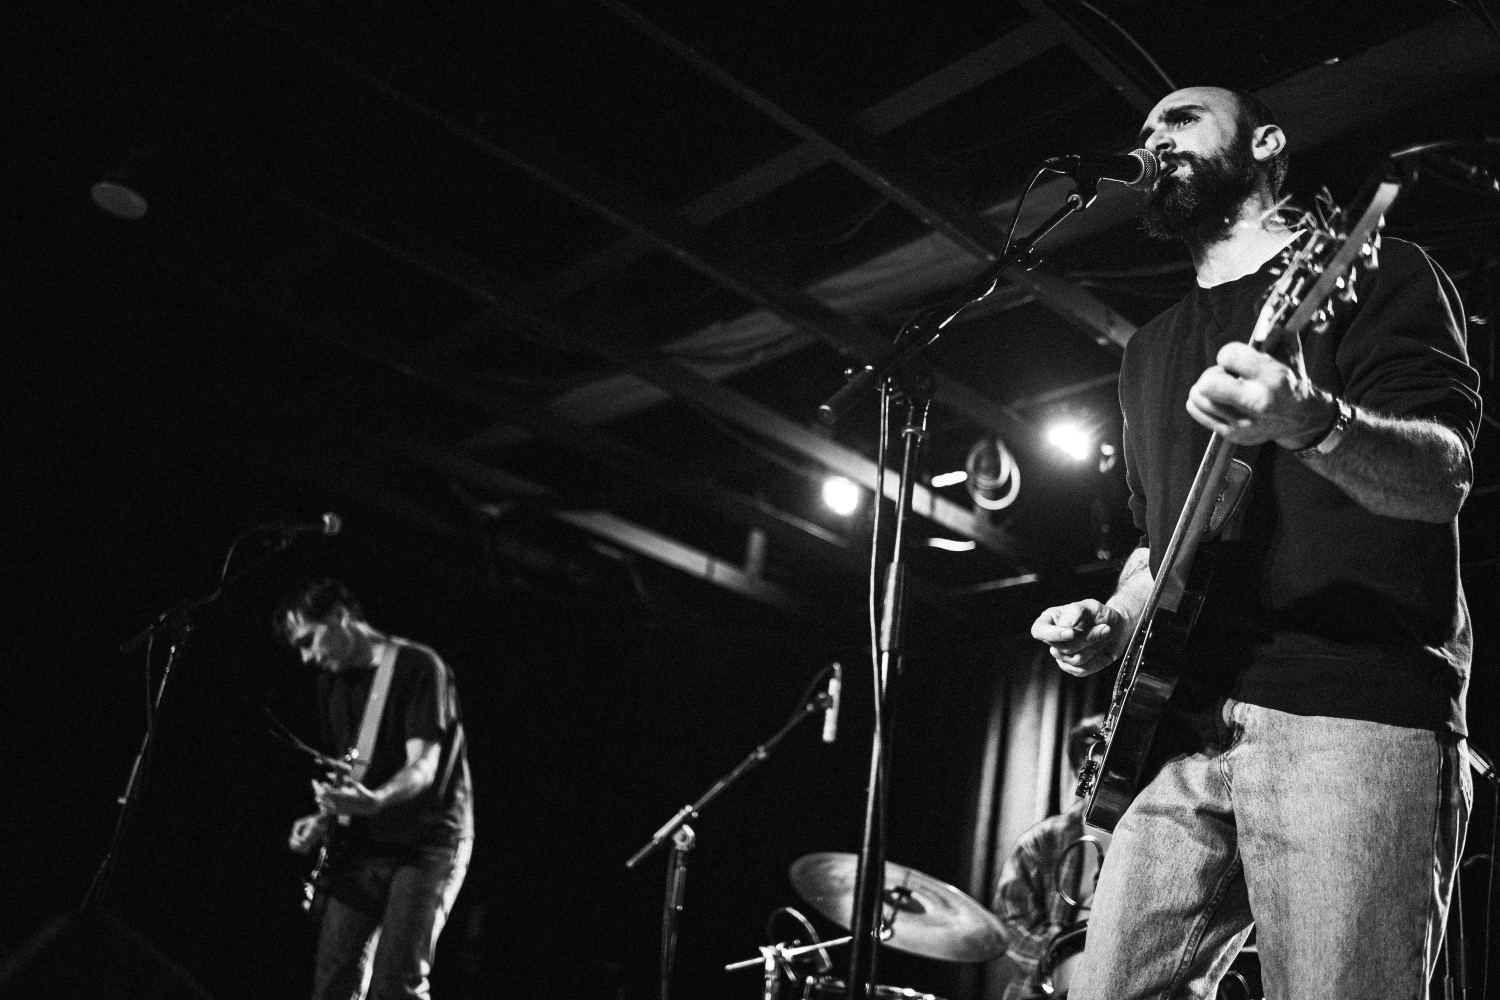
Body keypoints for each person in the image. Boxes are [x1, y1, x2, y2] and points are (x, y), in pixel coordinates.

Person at [1030, 86, 1479, 999]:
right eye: (1146, 129)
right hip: (1181, 729)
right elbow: (1158, 547)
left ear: (1266, 142)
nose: (1155, 138)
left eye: (1182, 120)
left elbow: (1444, 477)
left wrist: (1314, 422)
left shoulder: (1381, 272)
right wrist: (1111, 621)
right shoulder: (1149, 349)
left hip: (1348, 708)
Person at [278, 579, 474, 1000]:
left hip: (426, 844)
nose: (307, 657)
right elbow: (353, 768)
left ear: (340, 616)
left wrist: (377, 800)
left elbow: (424, 766)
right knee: (334, 978)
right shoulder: (332, 684)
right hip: (366, 843)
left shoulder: (419, 666)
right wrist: (324, 818)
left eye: (309, 640)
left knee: (395, 985)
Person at [991, 715, 1108, 1000]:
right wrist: (1066, 958)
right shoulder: (1041, 842)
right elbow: (1011, 923)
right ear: (1083, 771)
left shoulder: (1146, 843)